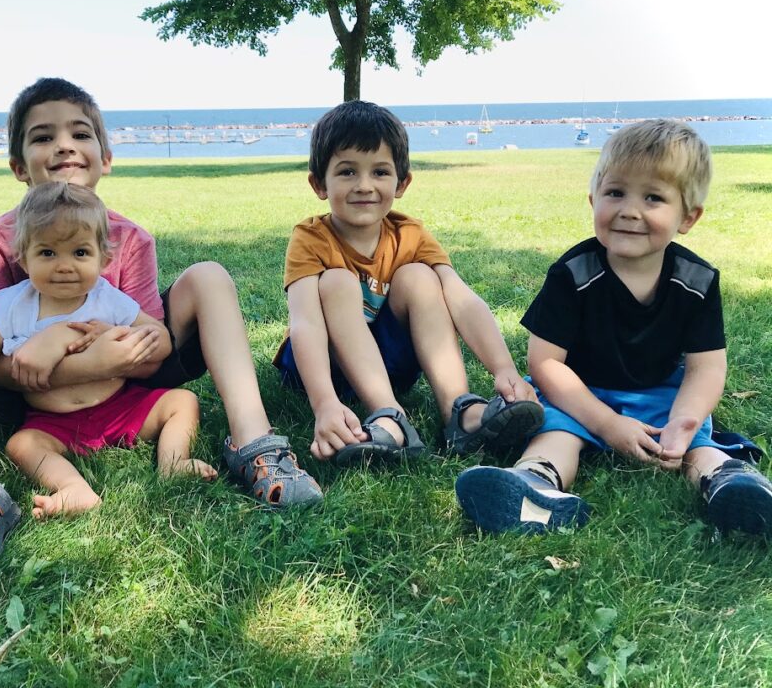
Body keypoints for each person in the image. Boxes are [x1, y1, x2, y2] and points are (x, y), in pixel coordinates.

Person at [0, 78, 321, 577]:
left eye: (80, 134)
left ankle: (256, 444)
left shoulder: (130, 239)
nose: (64, 144)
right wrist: (51, 343)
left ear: (105, 156)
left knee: (210, 277)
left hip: (124, 379)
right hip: (21, 384)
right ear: (19, 166)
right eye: (43, 136)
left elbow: (150, 348)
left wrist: (102, 349)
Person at [455, 119, 772, 535]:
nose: (629, 210)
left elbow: (706, 368)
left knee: (693, 447)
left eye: (653, 197)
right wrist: (606, 423)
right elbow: (546, 363)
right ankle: (534, 484)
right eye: (616, 192)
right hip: (579, 394)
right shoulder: (573, 273)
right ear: (593, 199)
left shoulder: (697, 281)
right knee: (556, 434)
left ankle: (732, 484)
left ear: (688, 217)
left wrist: (686, 420)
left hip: (661, 397)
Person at [0, 182, 217, 520]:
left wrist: (116, 332)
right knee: (22, 445)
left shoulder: (108, 299)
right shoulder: (12, 305)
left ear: (104, 258)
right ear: (23, 258)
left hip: (119, 407)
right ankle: (73, 488)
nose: (64, 265)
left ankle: (174, 461)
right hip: (53, 421)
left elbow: (159, 338)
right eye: (47, 253)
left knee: (182, 402)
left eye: (80, 253)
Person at [273, 100, 543, 466]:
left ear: (402, 182)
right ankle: (389, 416)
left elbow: (460, 298)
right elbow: (303, 321)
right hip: (323, 366)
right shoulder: (310, 237)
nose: (365, 186)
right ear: (319, 183)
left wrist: (504, 369)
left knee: (420, 276)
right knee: (337, 282)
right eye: (348, 172)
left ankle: (459, 411)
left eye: (380, 172)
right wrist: (324, 404)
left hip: (390, 362)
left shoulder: (409, 234)